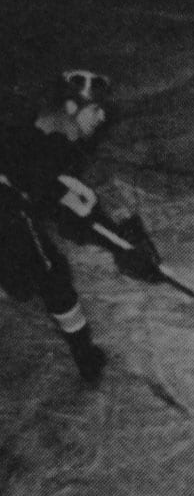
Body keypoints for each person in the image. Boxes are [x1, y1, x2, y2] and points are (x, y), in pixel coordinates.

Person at [1, 69, 163, 383]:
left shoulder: (54, 129)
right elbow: (64, 209)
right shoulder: (50, 143)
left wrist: (116, 241)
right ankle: (85, 356)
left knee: (25, 279)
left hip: (15, 193)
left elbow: (66, 200)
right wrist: (121, 246)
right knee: (50, 275)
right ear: (73, 108)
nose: (102, 116)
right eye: (96, 109)